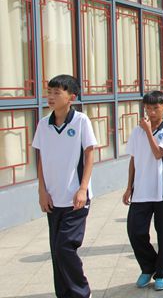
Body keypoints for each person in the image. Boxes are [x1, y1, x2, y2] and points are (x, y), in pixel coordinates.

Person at [33, 75, 97, 298]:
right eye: (49, 92)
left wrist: (83, 189)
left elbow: (89, 155)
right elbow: (41, 159)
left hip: (75, 199)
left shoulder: (81, 121)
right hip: (53, 199)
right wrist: (42, 191)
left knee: (65, 247)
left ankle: (82, 293)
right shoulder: (43, 124)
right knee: (56, 251)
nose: (50, 97)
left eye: (56, 93)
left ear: (72, 97)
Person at [122, 91, 163, 291]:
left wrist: (147, 131)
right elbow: (133, 159)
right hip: (141, 190)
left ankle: (162, 273)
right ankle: (148, 266)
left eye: (155, 108)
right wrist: (129, 187)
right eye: (148, 108)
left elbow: (158, 153)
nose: (151, 112)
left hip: (162, 191)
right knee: (135, 231)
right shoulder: (137, 131)